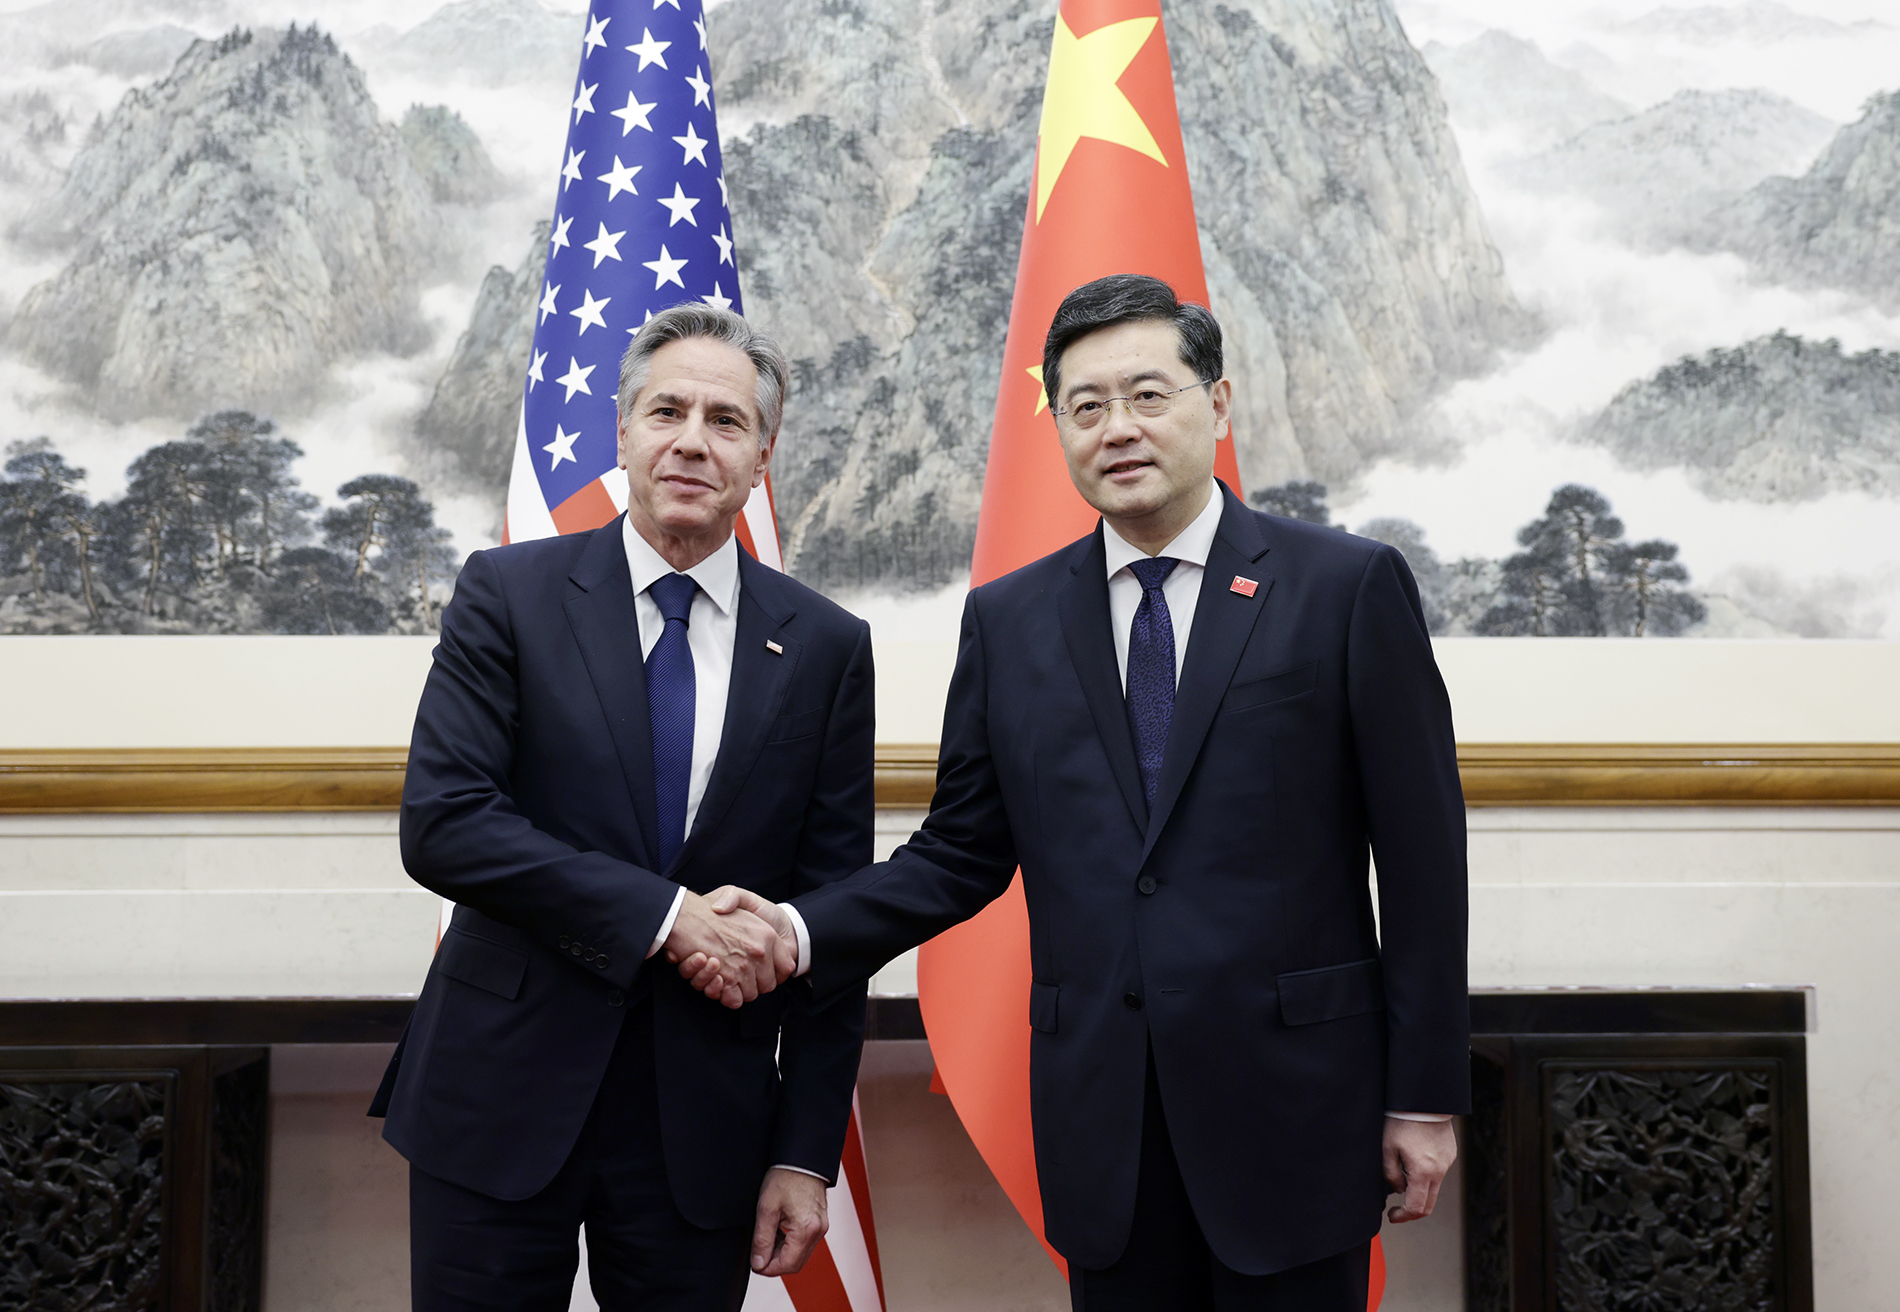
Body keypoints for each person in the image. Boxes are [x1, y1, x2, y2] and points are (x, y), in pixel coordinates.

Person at [689, 275, 1469, 1311]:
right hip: (1106, 1121)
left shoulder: (1343, 586)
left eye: (1147, 395)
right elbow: (960, 852)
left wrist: (1423, 1095)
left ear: (1217, 405)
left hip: (1296, 1107)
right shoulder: (1010, 619)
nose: (1118, 428)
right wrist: (795, 927)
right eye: (1086, 405)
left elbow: (1422, 863)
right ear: (1057, 425)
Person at [370, 304, 875, 1311]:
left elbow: (832, 917)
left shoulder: (825, 646)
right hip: (500, 1094)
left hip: (704, 1121)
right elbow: (446, 823)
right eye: (667, 411)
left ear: (763, 454)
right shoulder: (509, 593)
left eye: (726, 421)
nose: (692, 441)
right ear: (624, 432)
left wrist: (805, 1152)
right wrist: (668, 916)